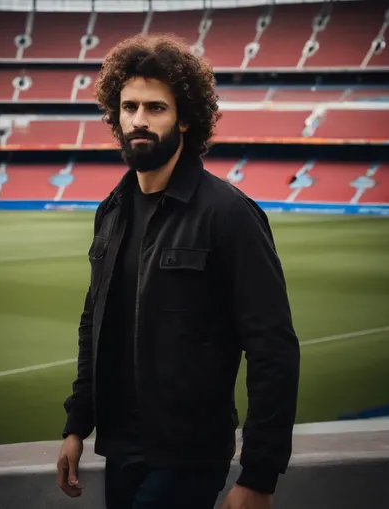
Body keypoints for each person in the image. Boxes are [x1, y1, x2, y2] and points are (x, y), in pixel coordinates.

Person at [57, 33, 300, 509]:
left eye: (155, 108)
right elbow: (95, 325)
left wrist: (260, 475)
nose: (138, 120)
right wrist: (76, 425)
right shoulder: (111, 211)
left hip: (189, 458)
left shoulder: (228, 214)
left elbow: (273, 347)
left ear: (186, 119)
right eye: (128, 107)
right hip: (119, 449)